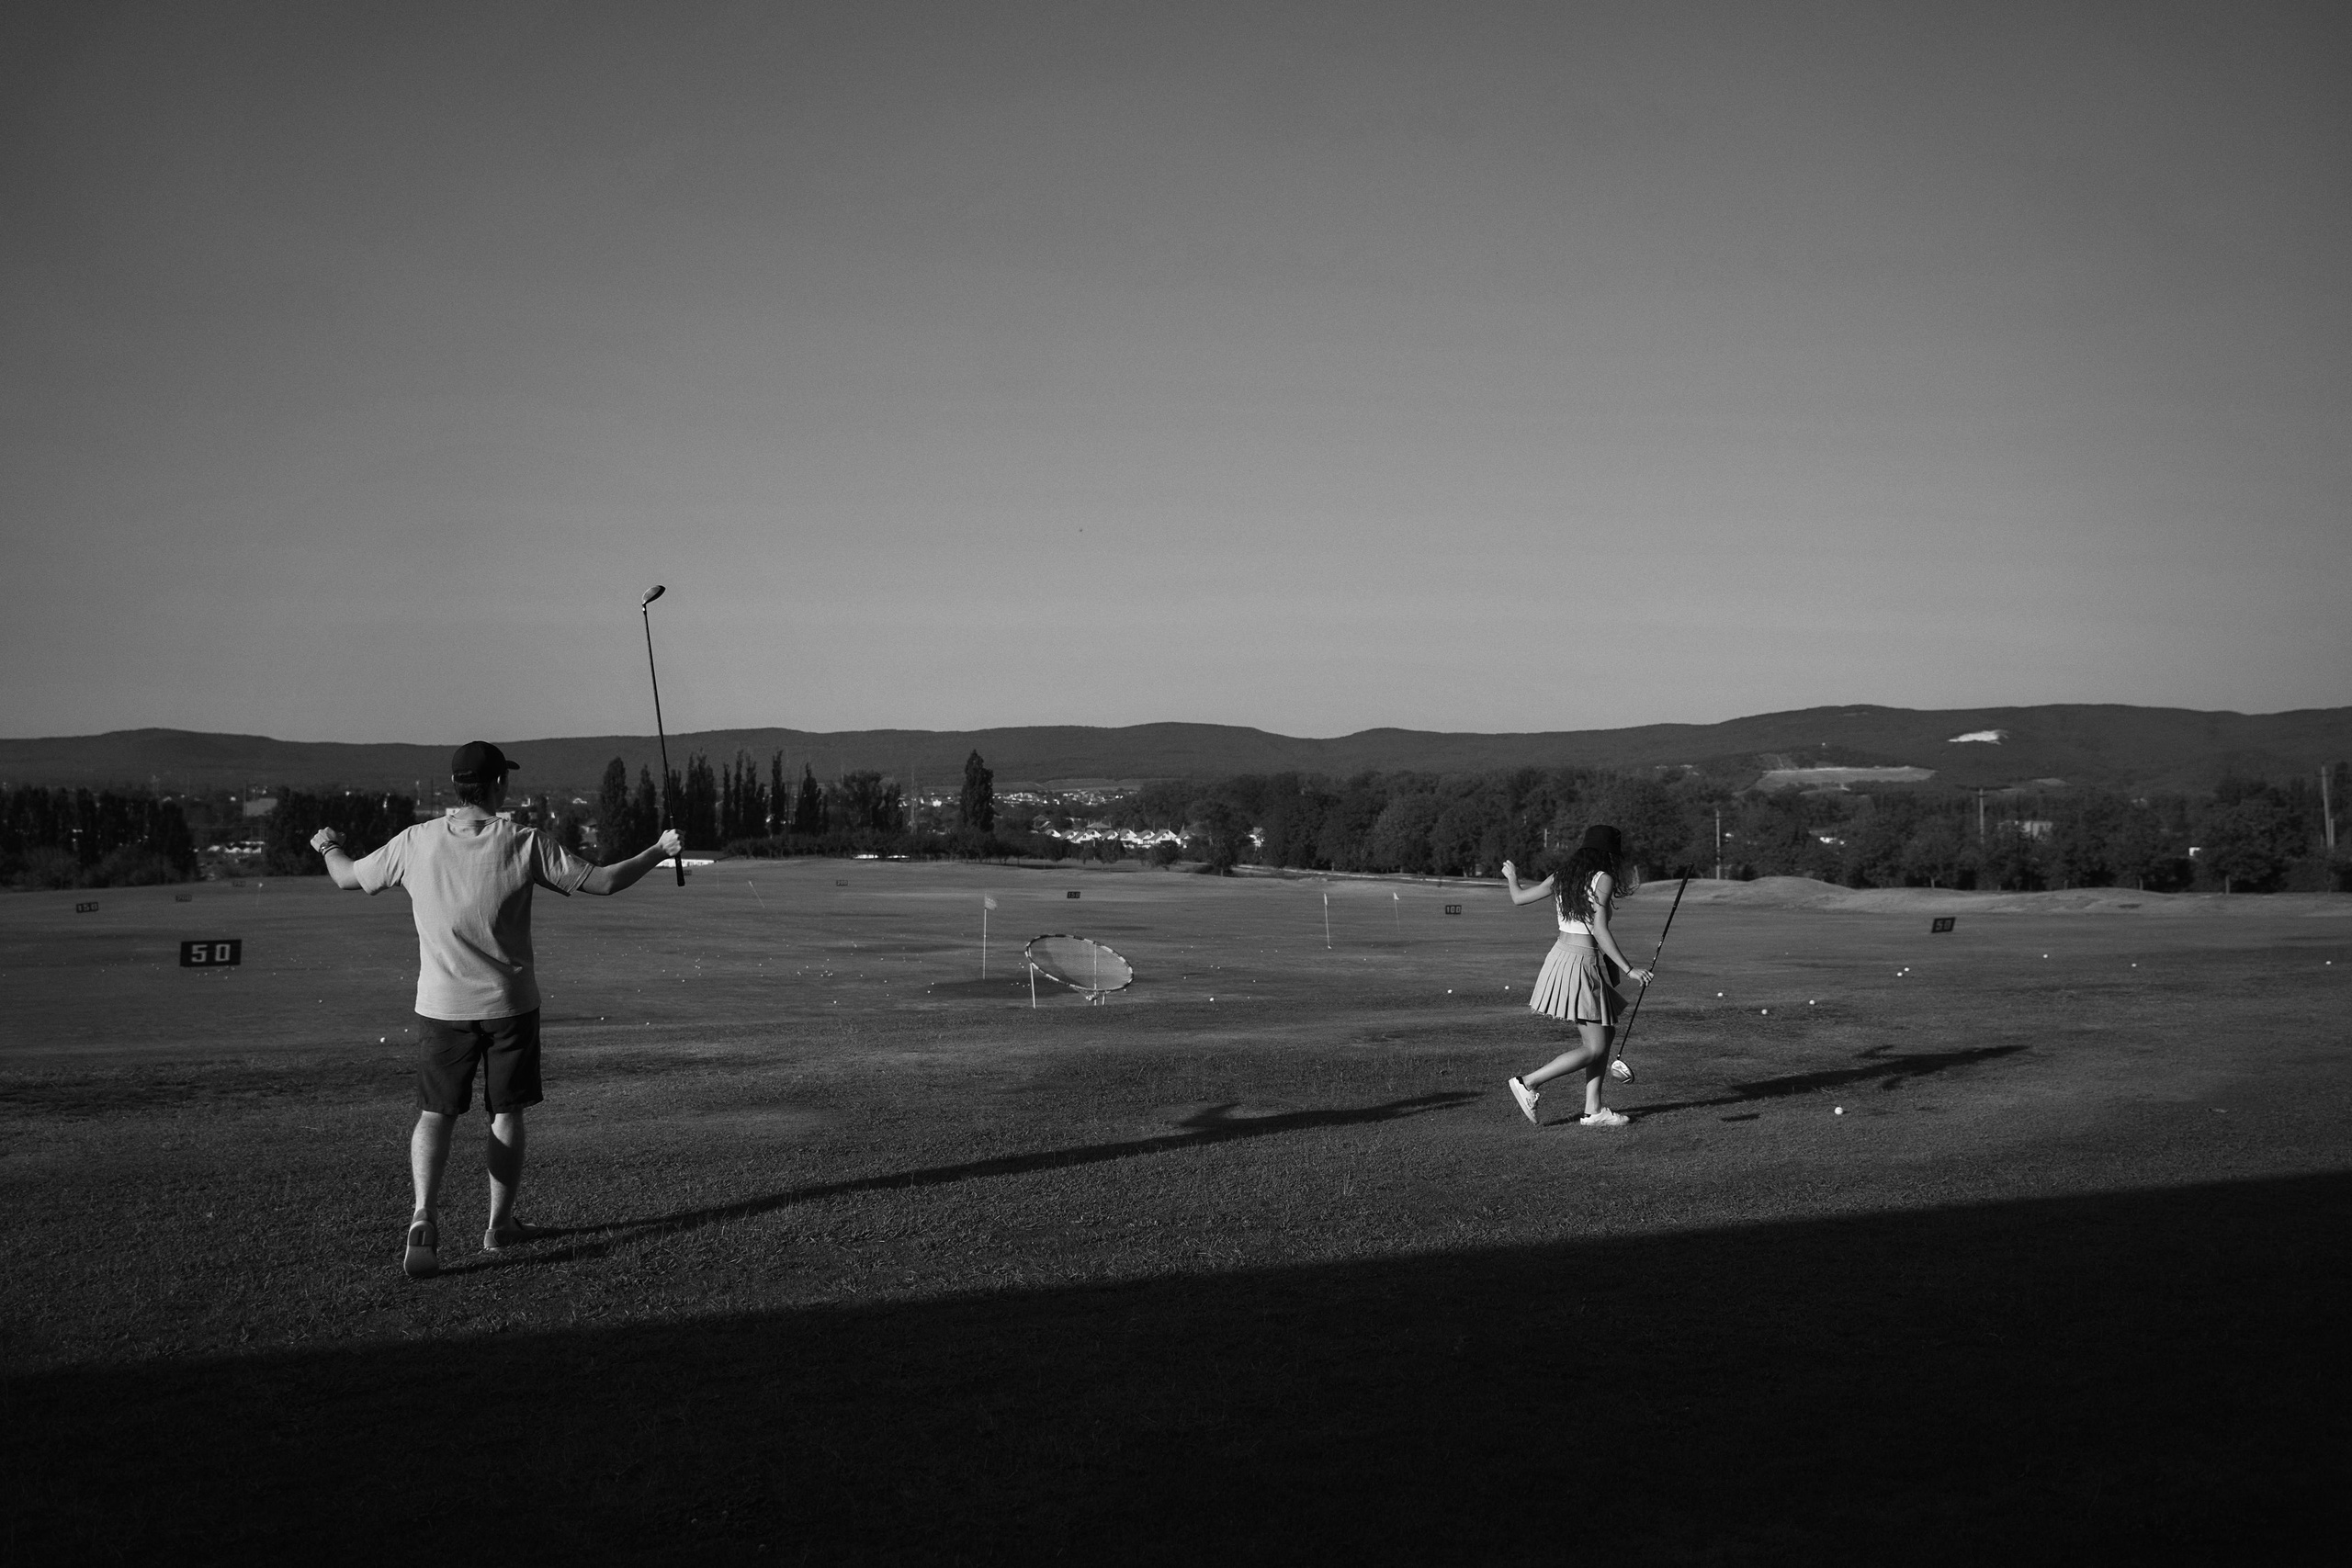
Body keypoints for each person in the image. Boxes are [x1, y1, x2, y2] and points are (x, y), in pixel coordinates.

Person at [313, 740, 683, 1278]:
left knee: (436, 1113)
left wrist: (328, 845)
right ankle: (499, 1226)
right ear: (497, 785)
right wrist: (659, 849)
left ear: (456, 787)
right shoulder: (523, 841)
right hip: (510, 1006)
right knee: (505, 1113)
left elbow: (347, 876)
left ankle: (423, 1214)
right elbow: (603, 882)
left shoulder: (415, 841)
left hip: (441, 1007)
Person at [1501, 825, 1652, 1128]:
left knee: (1605, 1033)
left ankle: (1593, 1110)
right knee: (1594, 1047)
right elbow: (1599, 930)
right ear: (1608, 854)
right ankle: (1528, 1082)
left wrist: (1512, 877)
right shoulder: (1602, 878)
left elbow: (1519, 898)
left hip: (1563, 956)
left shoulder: (1563, 874)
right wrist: (1629, 969)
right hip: (1580, 962)